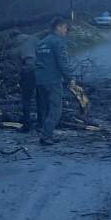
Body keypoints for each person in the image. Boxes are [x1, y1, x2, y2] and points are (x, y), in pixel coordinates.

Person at [34, 17, 75, 145]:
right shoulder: (57, 42)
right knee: (56, 109)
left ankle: (46, 133)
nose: (66, 30)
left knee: (45, 108)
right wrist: (70, 78)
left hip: (40, 80)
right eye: (65, 27)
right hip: (52, 80)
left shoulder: (42, 42)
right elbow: (62, 62)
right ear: (58, 27)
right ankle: (46, 136)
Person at [12, 31, 42, 132]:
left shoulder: (23, 43)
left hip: (30, 73)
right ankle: (41, 123)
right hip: (42, 72)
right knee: (40, 98)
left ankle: (27, 125)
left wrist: (22, 72)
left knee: (26, 99)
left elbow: (30, 61)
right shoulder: (34, 39)